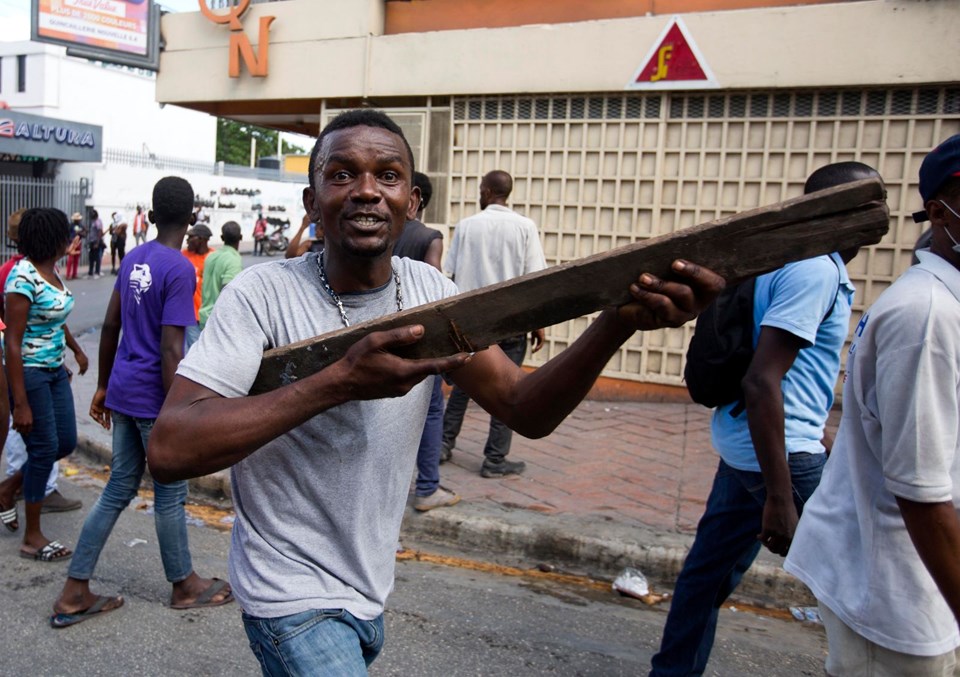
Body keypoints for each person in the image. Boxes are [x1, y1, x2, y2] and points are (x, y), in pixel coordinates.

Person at [145, 109, 722, 674]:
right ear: (311, 202)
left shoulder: (428, 290)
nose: (367, 191)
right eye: (342, 174)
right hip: (289, 594)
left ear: (412, 204)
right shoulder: (262, 294)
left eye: (388, 176)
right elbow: (170, 449)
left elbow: (523, 407)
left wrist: (616, 323)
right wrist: (338, 383)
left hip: (368, 589)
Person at [648, 161, 877, 677]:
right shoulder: (815, 268)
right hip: (780, 457)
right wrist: (779, 497)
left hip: (746, 447)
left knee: (703, 580)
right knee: (873, 582)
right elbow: (761, 381)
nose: (877, 221)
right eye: (866, 208)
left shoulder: (784, 259)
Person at [786, 137, 960, 675]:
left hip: (915, 577)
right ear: (938, 212)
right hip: (897, 588)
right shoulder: (925, 316)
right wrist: (781, 482)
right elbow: (920, 491)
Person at [50, 176, 233, 629]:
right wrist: (181, 409)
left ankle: (75, 589)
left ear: (150, 217)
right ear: (192, 218)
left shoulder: (133, 258)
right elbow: (173, 348)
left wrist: (102, 387)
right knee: (170, 494)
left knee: (118, 489)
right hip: (155, 397)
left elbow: (110, 327)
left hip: (125, 391)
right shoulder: (178, 269)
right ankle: (184, 584)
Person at [440, 169, 547, 478]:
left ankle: (444, 444)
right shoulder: (525, 226)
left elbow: (452, 274)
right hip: (511, 323)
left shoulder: (467, 226)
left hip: (472, 324)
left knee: (465, 384)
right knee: (509, 388)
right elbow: (534, 279)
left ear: (487, 191)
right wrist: (538, 323)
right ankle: (495, 459)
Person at [0, 208, 89, 560]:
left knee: (64, 442)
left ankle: (8, 489)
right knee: (42, 447)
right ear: (52, 239)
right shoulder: (21, 278)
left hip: (55, 371)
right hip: (31, 373)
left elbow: (54, 317)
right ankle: (32, 536)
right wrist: (19, 403)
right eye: (66, 234)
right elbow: (13, 342)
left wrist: (77, 350)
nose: (71, 239)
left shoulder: (50, 272)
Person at [392, 171, 458, 511]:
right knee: (431, 410)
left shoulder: (385, 230)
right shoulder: (429, 236)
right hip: (419, 337)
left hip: (384, 333)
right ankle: (428, 487)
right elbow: (433, 288)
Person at [198, 222, 243, 330]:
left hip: (204, 318)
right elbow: (228, 294)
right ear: (240, 237)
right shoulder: (233, 260)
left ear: (222, 237)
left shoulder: (210, 256)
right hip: (219, 322)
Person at [181, 223, 214, 351]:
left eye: (191, 237)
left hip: (208, 314)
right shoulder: (184, 255)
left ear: (201, 239)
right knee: (194, 351)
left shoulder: (213, 257)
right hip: (191, 314)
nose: (187, 240)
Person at [65, 212, 84, 280]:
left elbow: (84, 234)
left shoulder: (81, 226)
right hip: (72, 243)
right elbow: (67, 234)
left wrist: (81, 233)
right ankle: (68, 274)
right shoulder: (71, 225)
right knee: (70, 259)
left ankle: (74, 274)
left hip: (79, 242)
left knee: (76, 259)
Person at [86, 209, 104, 278]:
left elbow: (99, 232)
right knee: (91, 257)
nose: (90, 216)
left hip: (96, 242)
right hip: (91, 241)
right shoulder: (92, 221)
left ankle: (97, 272)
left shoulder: (98, 222)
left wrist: (97, 243)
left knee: (97, 258)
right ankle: (90, 272)